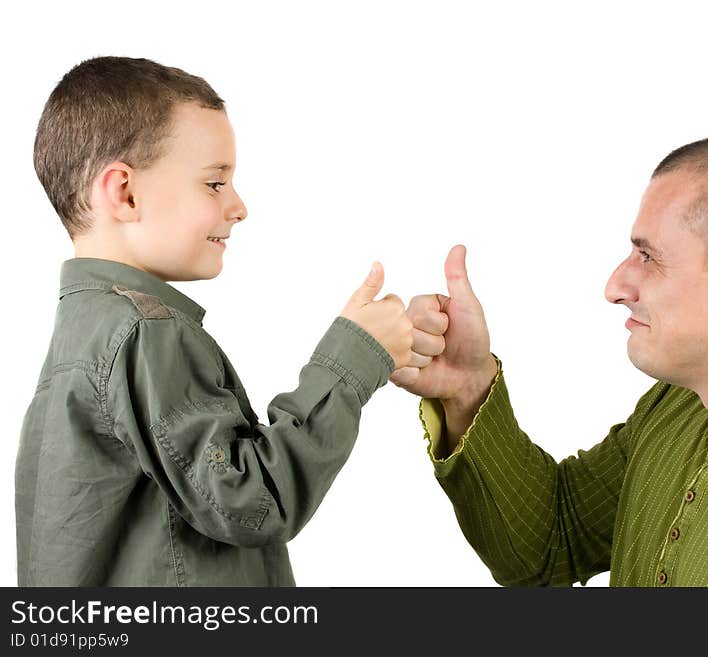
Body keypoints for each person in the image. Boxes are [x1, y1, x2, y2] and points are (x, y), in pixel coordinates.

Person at [392, 134, 708, 586]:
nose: (616, 287)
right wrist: (466, 387)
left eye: (649, 257)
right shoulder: (682, 406)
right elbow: (552, 543)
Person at [16, 56, 412, 586]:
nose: (239, 206)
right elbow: (254, 499)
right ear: (125, 193)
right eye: (215, 183)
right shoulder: (145, 332)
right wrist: (355, 358)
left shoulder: (86, 330)